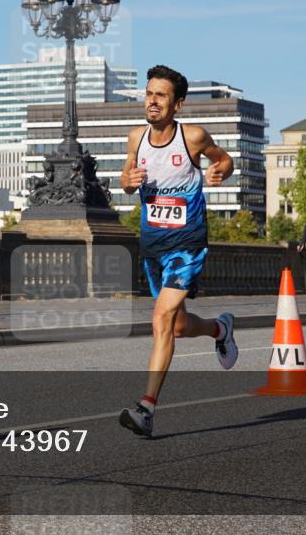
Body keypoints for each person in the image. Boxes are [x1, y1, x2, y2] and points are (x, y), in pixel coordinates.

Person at [118, 64, 237, 437]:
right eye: (149, 94)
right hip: (153, 245)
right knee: (179, 325)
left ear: (178, 105)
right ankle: (220, 328)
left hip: (186, 244)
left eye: (161, 96)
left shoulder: (193, 137)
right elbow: (124, 180)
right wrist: (127, 180)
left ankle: (146, 409)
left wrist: (221, 172)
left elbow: (225, 159)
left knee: (160, 321)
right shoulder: (136, 138)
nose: (152, 101)